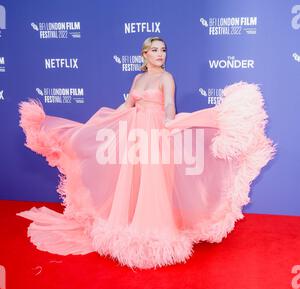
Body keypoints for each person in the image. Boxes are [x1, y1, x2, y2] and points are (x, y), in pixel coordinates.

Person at [17, 36, 276, 269]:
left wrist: (171, 126)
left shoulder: (166, 77)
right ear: (144, 55)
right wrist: (105, 121)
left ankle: (155, 236)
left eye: (163, 50)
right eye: (155, 50)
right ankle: (127, 231)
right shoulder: (138, 79)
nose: (160, 54)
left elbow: (169, 105)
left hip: (155, 132)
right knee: (131, 179)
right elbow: (128, 104)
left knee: (154, 181)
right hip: (134, 132)